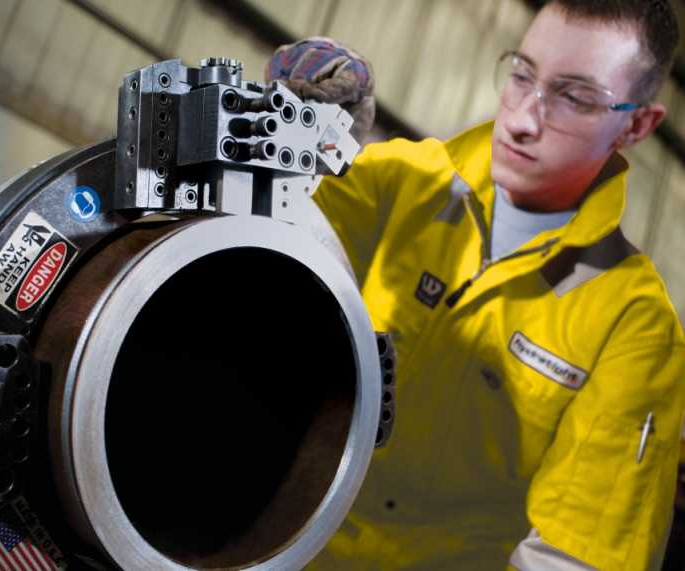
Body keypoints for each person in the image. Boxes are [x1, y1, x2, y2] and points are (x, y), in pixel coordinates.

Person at [267, 1, 684, 569]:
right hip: (271, 543)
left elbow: (576, 557)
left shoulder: (632, 325)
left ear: (636, 125)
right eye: (521, 75)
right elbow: (260, 255)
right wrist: (299, 145)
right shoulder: (402, 181)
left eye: (574, 97)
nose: (521, 119)